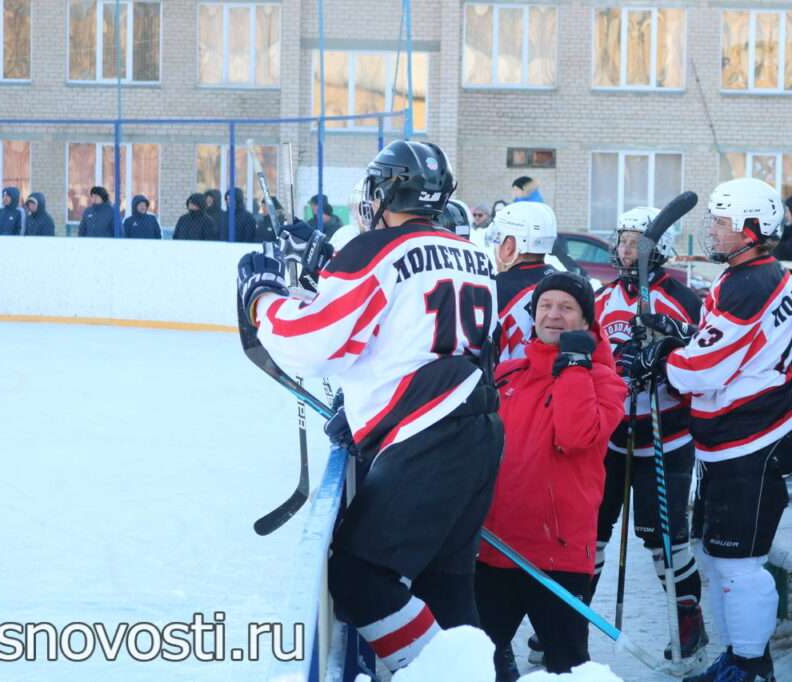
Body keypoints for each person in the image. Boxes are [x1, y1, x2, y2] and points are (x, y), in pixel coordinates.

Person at [237, 140, 502, 674]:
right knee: (446, 586)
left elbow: (312, 343)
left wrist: (262, 297)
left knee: (359, 581)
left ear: (382, 191)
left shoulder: (375, 251)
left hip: (427, 437)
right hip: (480, 430)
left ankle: (451, 673)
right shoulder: (476, 255)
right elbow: (413, 335)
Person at [622, 178, 792, 682]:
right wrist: (679, 339)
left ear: (754, 230)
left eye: (723, 222)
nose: (712, 229)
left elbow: (701, 370)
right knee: (718, 555)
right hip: (737, 438)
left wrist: (665, 358)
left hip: (750, 439)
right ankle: (741, 655)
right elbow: (727, 345)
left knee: (739, 565)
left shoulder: (749, 283)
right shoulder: (749, 274)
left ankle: (750, 667)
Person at [476, 271, 626, 681]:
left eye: (566, 308)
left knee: (568, 669)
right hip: (496, 548)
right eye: (545, 305)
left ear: (586, 322)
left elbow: (576, 436)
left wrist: (575, 366)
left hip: (558, 554)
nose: (553, 315)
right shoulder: (509, 375)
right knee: (475, 663)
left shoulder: (605, 382)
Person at [589, 207, 707, 664]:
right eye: (622, 240)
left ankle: (687, 626)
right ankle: (566, 625)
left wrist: (666, 358)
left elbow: (704, 351)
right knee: (591, 532)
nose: (626, 249)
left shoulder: (682, 297)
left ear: (660, 246)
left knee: (663, 538)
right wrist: (617, 366)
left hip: (667, 433)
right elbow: (589, 351)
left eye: (637, 241)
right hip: (612, 434)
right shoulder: (602, 299)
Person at [485, 201, 558, 362]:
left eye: (498, 240)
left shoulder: (494, 290)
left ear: (509, 246)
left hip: (512, 384)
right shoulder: (568, 285)